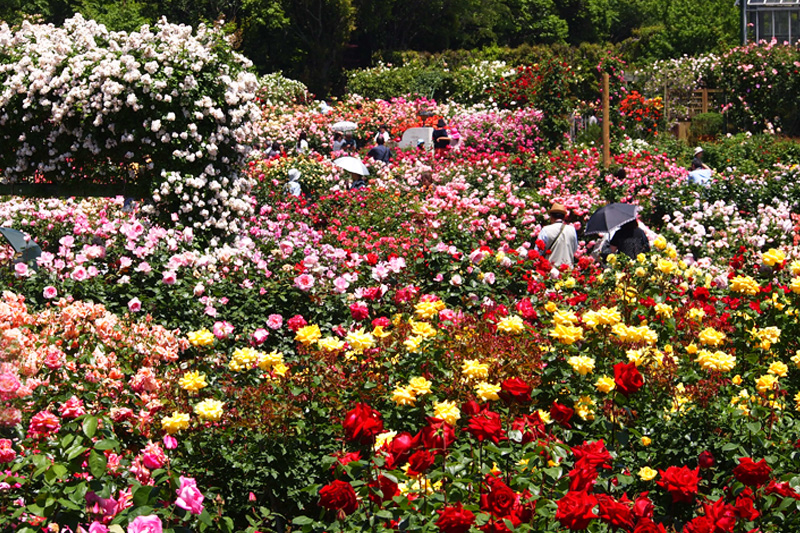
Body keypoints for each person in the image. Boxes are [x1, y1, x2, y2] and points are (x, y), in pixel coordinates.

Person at [536, 203, 578, 271]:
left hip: (550, 270)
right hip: (567, 271)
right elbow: (574, 249)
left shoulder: (546, 230)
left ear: (551, 217)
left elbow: (537, 252)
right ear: (564, 217)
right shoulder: (572, 230)